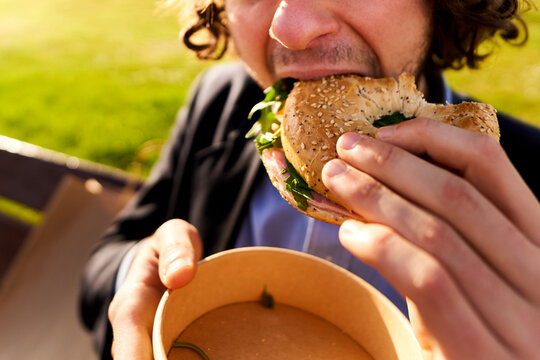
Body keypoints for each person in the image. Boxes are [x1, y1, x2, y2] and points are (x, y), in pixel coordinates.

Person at [80, 0, 540, 359]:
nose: (292, 29)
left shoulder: (527, 193)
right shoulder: (220, 104)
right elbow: (109, 258)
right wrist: (138, 276)